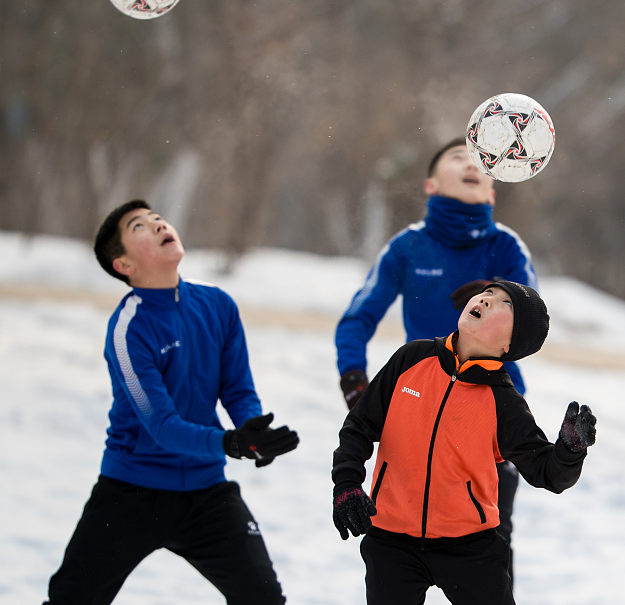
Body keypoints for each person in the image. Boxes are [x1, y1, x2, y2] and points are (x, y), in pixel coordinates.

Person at [45, 200, 300, 605]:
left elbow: (237, 390)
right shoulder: (129, 329)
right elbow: (161, 426)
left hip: (207, 492)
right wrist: (228, 443)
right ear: (124, 265)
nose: (158, 223)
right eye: (139, 226)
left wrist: (251, 431)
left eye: (157, 218)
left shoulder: (218, 305)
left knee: (264, 600)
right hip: (131, 491)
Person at [334, 138, 538, 575]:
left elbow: (530, 326)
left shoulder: (506, 247)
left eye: (483, 161)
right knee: (399, 551)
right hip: (416, 413)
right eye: (458, 157)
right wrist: (356, 383)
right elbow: (356, 319)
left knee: (490, 556)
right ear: (429, 184)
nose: (472, 163)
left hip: (489, 418)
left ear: (493, 192)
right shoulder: (408, 247)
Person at [331, 280, 596, 604]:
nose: (486, 300)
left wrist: (569, 450)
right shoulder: (410, 360)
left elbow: (547, 472)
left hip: (469, 547)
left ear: (510, 344)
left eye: (505, 304)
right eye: (488, 293)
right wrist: (346, 482)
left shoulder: (503, 402)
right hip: (391, 540)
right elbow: (359, 426)